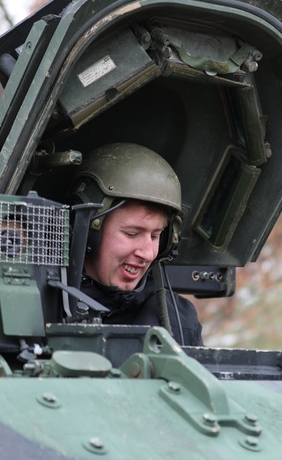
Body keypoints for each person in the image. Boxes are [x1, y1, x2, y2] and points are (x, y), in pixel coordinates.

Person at [68, 142, 204, 346]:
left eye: (156, 236)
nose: (148, 254)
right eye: (132, 234)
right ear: (88, 229)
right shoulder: (37, 308)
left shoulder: (177, 321)